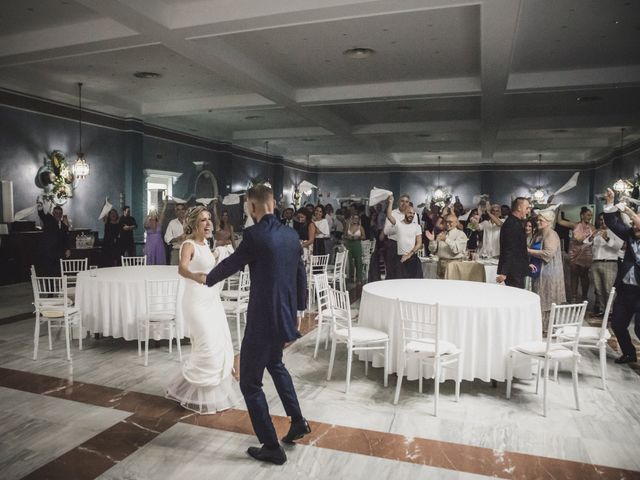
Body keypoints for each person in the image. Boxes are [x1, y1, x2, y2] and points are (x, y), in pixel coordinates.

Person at [202, 184, 310, 465]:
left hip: (263, 319)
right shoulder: (290, 235)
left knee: (250, 382)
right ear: (274, 204)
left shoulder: (254, 235)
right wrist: (299, 308)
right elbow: (301, 274)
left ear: (252, 207)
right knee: (275, 364)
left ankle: (271, 445)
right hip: (284, 314)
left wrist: (206, 279)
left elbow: (234, 263)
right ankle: (298, 422)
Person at [166, 206, 241, 413]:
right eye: (202, 220)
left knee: (214, 344)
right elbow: (182, 268)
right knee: (206, 344)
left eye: (209, 219)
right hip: (195, 302)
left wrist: (217, 254)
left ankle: (208, 395)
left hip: (211, 300)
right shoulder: (188, 244)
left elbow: (207, 263)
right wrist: (196, 277)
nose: (208, 224)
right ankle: (195, 391)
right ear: (193, 224)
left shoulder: (206, 244)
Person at [603, 188, 640, 364]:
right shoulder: (630, 234)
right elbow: (612, 222)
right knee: (617, 323)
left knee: (639, 329)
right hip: (626, 290)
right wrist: (611, 202)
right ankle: (629, 353)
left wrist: (628, 210)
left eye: (635, 224)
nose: (634, 227)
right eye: (633, 225)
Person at [528, 210, 566, 319]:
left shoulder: (551, 234)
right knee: (539, 297)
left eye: (541, 220)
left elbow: (548, 253)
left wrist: (528, 251)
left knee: (547, 299)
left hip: (549, 273)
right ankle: (538, 325)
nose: (538, 222)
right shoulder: (538, 234)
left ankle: (546, 327)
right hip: (538, 272)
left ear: (548, 222)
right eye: (538, 220)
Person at [558, 206, 596, 303]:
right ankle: (573, 297)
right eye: (588, 215)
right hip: (574, 252)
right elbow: (560, 221)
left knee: (584, 275)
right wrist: (558, 209)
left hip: (586, 253)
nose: (590, 217)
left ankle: (584, 297)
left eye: (591, 215)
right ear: (582, 215)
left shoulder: (592, 227)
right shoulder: (574, 225)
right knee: (574, 275)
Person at [496, 197, 535, 289]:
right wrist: (504, 272)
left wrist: (526, 263)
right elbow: (509, 249)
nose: (528, 211)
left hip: (516, 268)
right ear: (519, 208)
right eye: (527, 208)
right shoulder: (512, 224)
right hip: (513, 271)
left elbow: (519, 248)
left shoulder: (516, 222)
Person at [591, 212, 623, 317]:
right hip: (596, 263)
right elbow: (587, 243)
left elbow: (618, 246)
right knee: (598, 289)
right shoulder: (597, 232)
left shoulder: (616, 232)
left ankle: (611, 311)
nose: (603, 221)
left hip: (609, 263)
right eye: (601, 219)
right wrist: (591, 237)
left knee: (609, 289)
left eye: (605, 219)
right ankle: (602, 309)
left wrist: (606, 238)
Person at [384, 196, 423, 279]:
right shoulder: (399, 224)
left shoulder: (417, 226)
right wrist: (390, 203)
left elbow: (419, 243)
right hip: (400, 258)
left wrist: (409, 255)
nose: (411, 215)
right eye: (409, 213)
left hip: (412, 258)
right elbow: (389, 216)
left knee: (414, 283)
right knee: (400, 282)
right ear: (405, 213)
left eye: (413, 214)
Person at [426, 213, 468, 278]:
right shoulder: (442, 234)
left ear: (456, 223)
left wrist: (446, 239)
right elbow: (433, 250)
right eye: (446, 222)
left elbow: (456, 249)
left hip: (454, 265)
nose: (447, 224)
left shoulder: (461, 234)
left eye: (450, 222)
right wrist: (432, 241)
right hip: (441, 265)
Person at [36, 199, 70, 276]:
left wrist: (68, 249)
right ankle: (50, 288)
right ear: (53, 213)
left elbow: (66, 239)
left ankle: (60, 287)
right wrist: (40, 208)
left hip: (59, 253)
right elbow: (42, 215)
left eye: (60, 213)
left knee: (59, 272)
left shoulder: (64, 226)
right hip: (49, 253)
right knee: (49, 273)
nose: (58, 215)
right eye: (56, 213)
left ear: (62, 214)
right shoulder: (49, 221)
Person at [343, 214, 365, 285]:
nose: (355, 220)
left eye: (357, 218)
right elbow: (344, 235)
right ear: (351, 219)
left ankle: (359, 279)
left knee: (358, 261)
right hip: (349, 245)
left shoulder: (360, 227)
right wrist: (347, 237)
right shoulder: (348, 226)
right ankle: (350, 278)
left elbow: (364, 236)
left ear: (358, 220)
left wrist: (358, 237)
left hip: (357, 244)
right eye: (354, 218)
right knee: (349, 262)